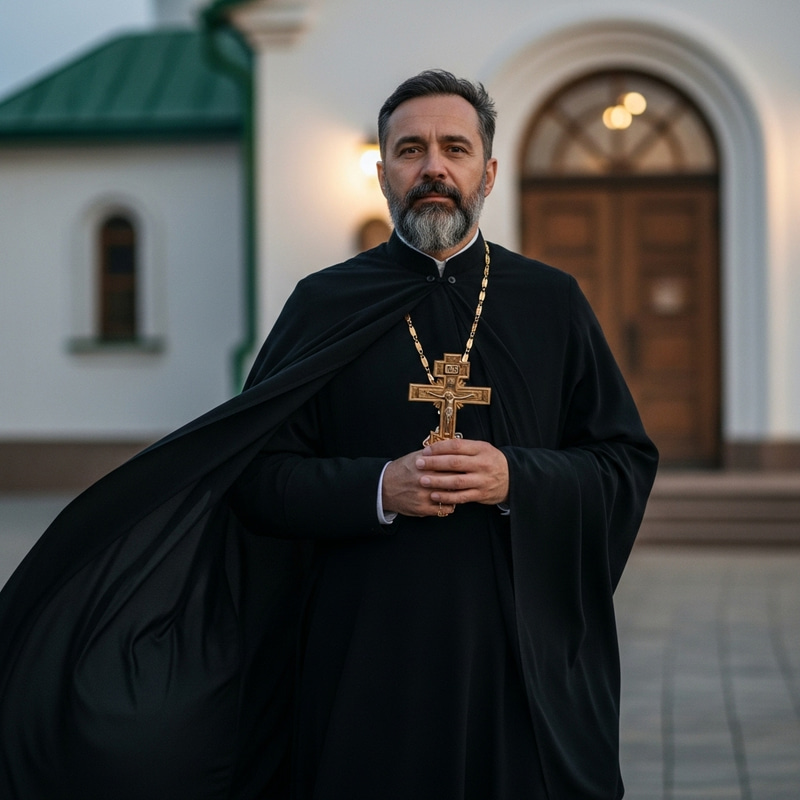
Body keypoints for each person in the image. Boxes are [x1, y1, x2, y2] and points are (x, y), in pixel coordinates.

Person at [0, 70, 657, 799]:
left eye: (454, 148)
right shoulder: (324, 304)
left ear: (489, 171)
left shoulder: (551, 302)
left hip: (516, 655)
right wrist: (378, 487)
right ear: (382, 173)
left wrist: (516, 479)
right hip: (366, 657)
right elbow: (259, 478)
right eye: (410, 149)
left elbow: (621, 461)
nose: (433, 166)